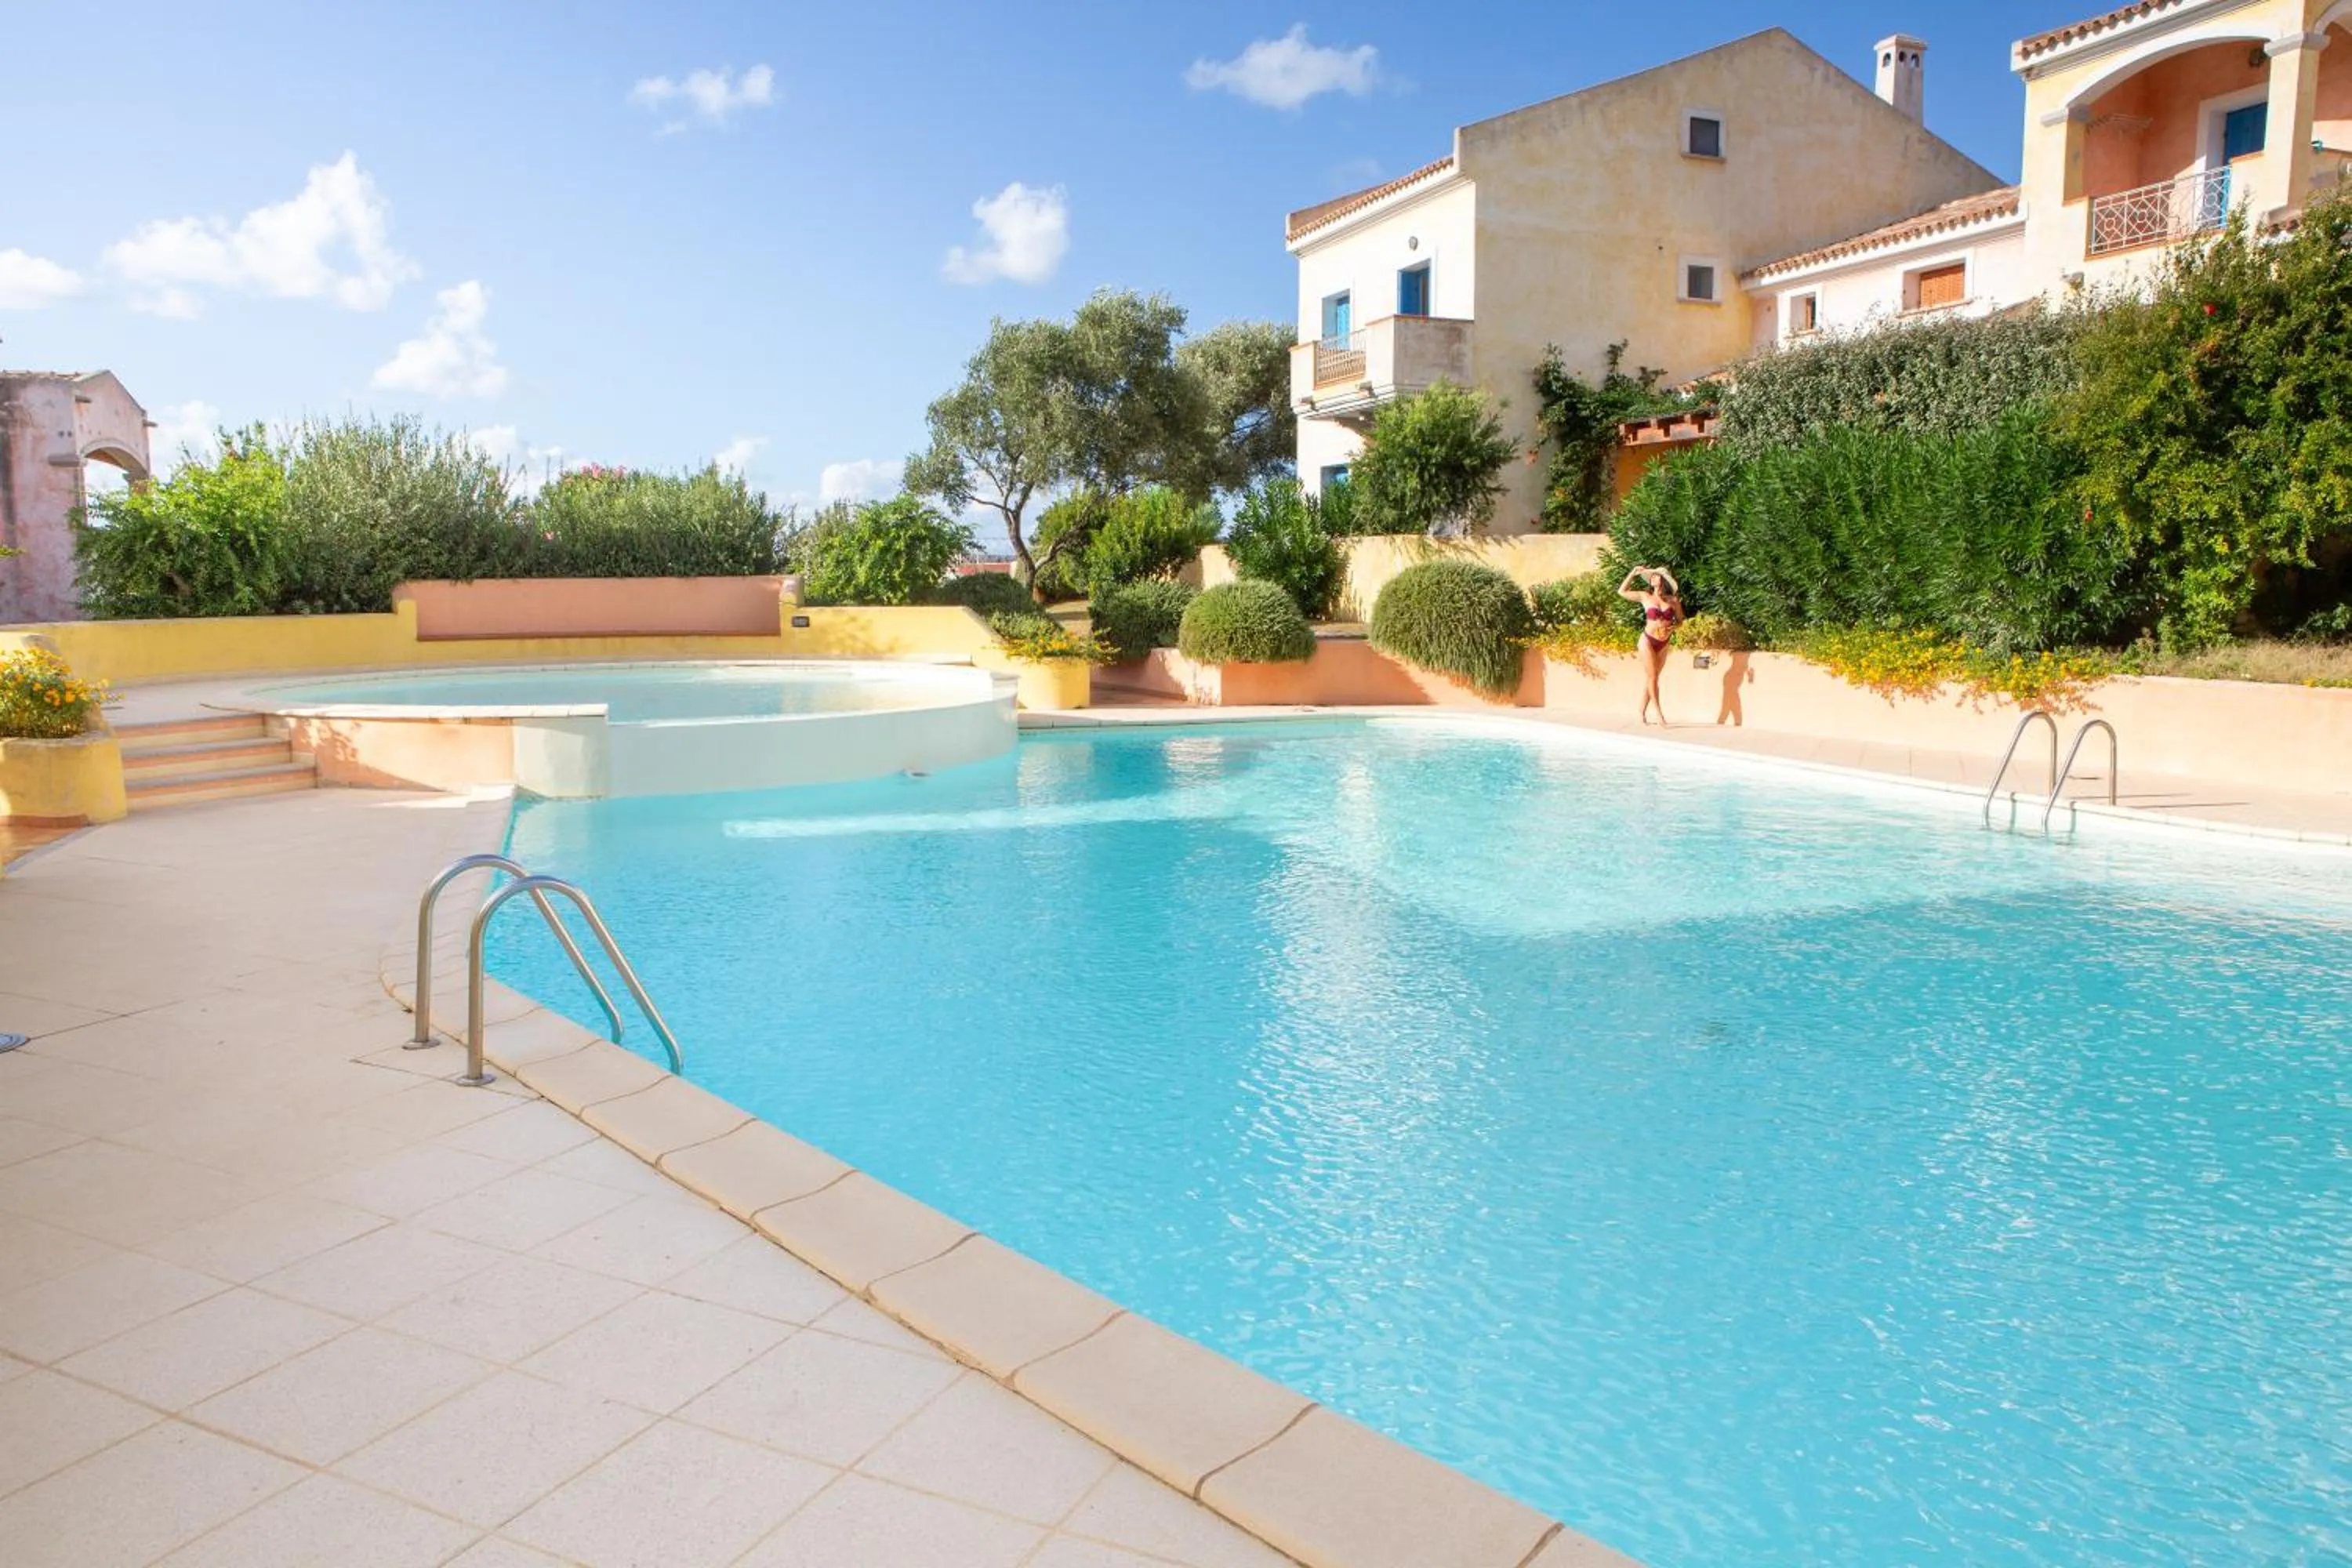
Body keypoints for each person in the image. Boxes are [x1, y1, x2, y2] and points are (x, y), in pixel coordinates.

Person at [1617, 565, 1682, 725]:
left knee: (1652, 678)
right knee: (1653, 677)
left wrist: (1672, 628)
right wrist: (1632, 573)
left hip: (1664, 642)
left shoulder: (1673, 601)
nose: (1653, 578)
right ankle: (1659, 714)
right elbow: (1622, 592)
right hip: (1647, 640)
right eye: (1652, 576)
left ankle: (1641, 711)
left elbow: (1680, 621)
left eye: (1656, 576)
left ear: (1664, 580)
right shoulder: (1645, 596)